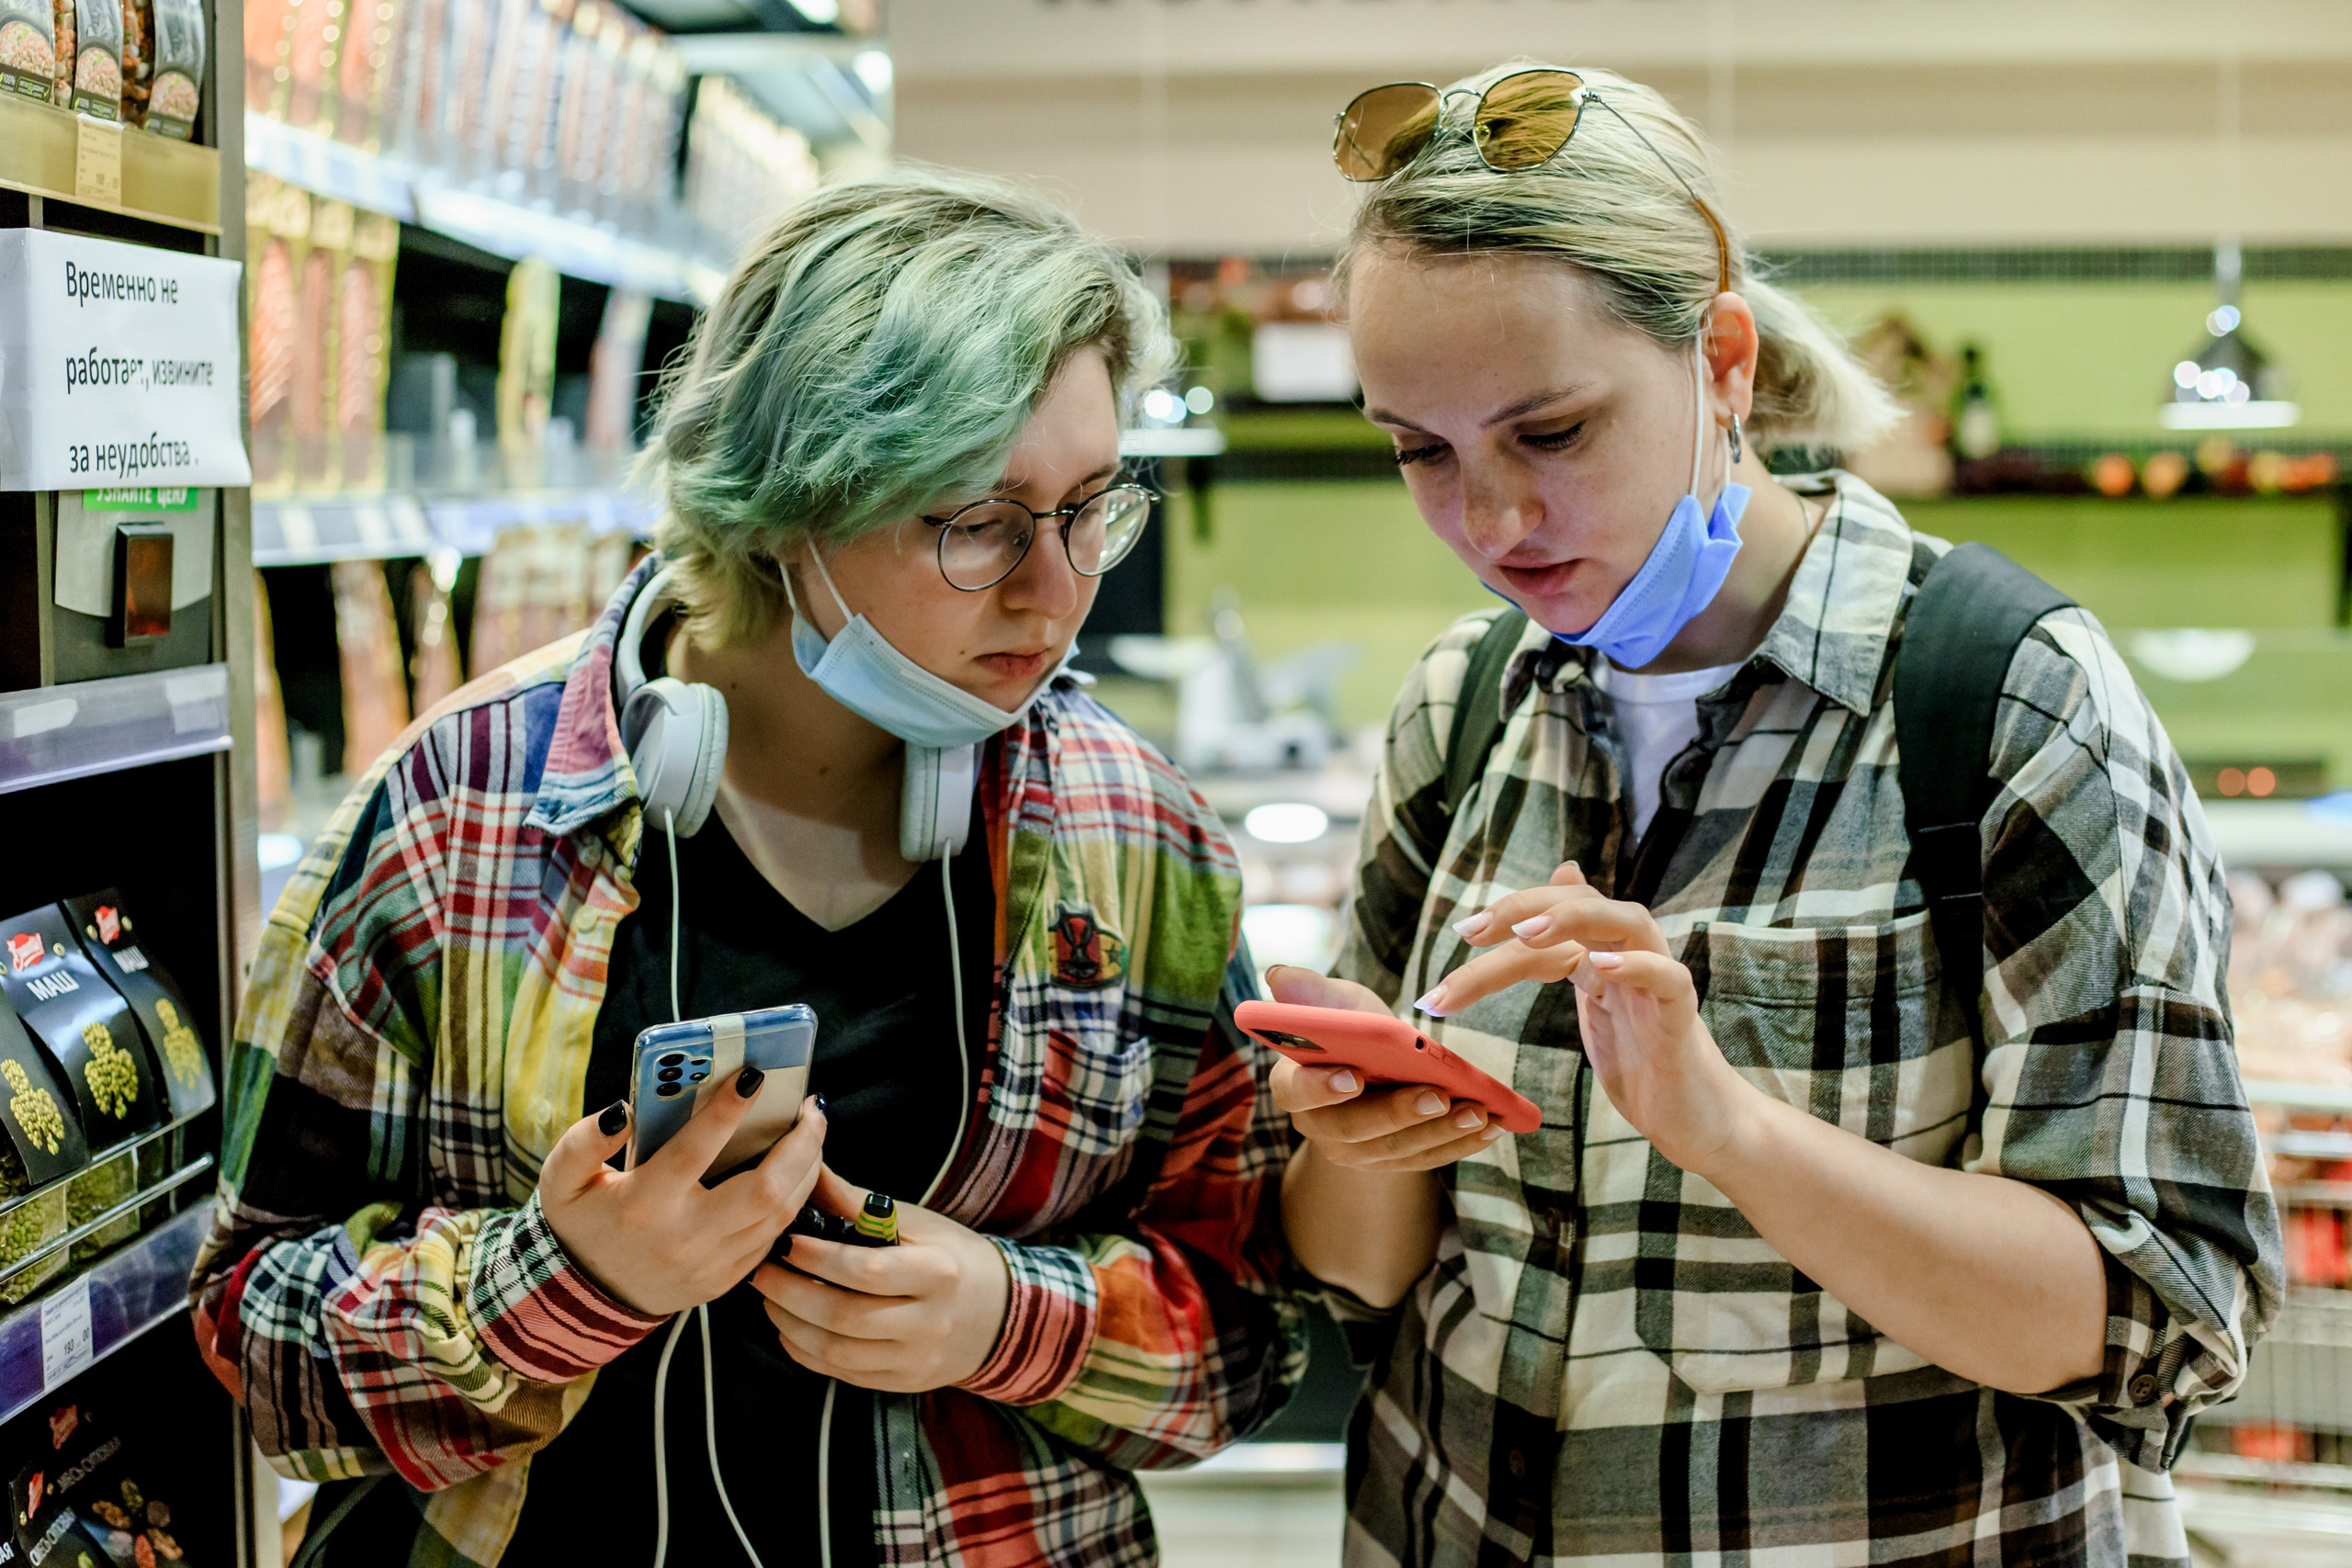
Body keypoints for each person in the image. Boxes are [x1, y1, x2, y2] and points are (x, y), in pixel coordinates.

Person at [193, 167, 1301, 1566]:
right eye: (974, 518)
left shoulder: (1134, 838)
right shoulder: (461, 803)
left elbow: (1256, 1322)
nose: (1056, 587)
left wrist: (1005, 1321)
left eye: (1089, 507)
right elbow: (250, 1332)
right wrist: (561, 1286)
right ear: (785, 504)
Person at [1271, 62, 2281, 1567]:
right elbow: (1358, 1281)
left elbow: (2157, 1313)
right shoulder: (1463, 705)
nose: (1488, 525)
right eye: (1421, 449)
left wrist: (1726, 1122)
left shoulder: (2002, 702)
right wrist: (1355, 1142)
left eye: (1550, 433)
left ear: (1723, 361)